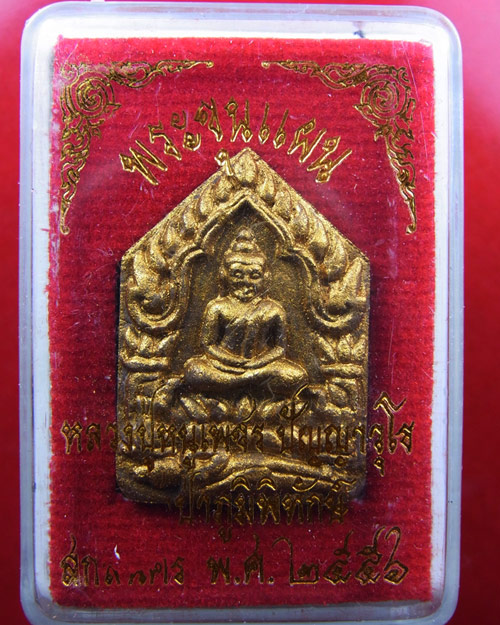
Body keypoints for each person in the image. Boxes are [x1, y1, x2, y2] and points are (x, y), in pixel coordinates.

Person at [183, 228, 307, 397]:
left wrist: (257, 363)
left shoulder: (273, 309)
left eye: (254, 275)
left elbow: (280, 348)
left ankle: (234, 383)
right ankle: (247, 382)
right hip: (223, 366)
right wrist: (232, 361)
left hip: (261, 367)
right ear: (224, 275)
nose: (246, 281)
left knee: (296, 375)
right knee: (194, 370)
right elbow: (208, 345)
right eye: (237, 274)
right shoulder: (217, 307)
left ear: (265, 277)